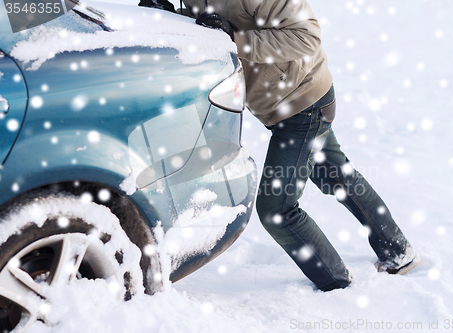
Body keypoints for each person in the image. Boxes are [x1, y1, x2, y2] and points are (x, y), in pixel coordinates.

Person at [144, 0, 420, 291]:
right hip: (283, 103)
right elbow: (211, 23)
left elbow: (307, 36)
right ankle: (397, 251)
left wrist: (237, 41)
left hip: (303, 104)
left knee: (278, 210)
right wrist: (169, 16)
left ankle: (337, 286)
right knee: (334, 175)